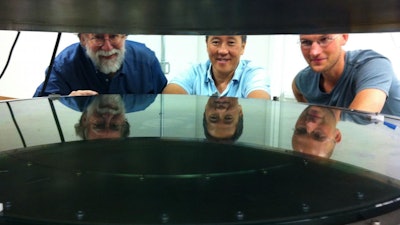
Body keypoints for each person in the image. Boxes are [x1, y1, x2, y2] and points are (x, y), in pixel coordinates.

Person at [292, 34, 400, 117]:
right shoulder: (304, 79)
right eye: (306, 42)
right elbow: (296, 89)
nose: (314, 52)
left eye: (324, 39)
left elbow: (360, 118)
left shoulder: (374, 65)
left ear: (344, 37)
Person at [34, 33, 167, 97]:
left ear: (125, 36)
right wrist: (67, 102)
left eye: (114, 36)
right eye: (98, 37)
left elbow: (164, 106)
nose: (108, 47)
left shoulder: (146, 61)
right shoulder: (65, 64)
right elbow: (40, 108)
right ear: (83, 39)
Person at [163, 35, 271, 99]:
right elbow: (169, 99)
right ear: (207, 45)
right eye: (215, 42)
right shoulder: (194, 71)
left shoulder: (253, 74)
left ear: (243, 47)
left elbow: (260, 108)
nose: (222, 51)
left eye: (231, 43)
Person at [70, 94, 157, 140]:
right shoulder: (143, 99)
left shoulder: (70, 98)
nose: (108, 116)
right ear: (123, 122)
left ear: (85, 119)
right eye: (114, 125)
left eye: (99, 125)